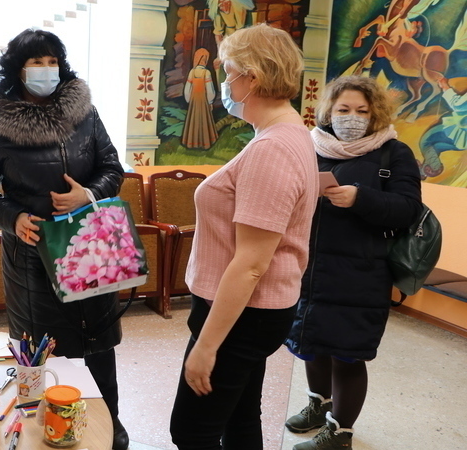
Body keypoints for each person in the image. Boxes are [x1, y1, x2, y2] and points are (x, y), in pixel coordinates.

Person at [0, 29, 128, 449]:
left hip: (89, 247)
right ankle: (44, 433)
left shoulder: (85, 113)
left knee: (97, 345)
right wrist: (13, 217)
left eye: (52, 61)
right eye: (36, 61)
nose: (46, 69)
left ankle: (109, 429)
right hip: (32, 256)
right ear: (17, 69)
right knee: (42, 355)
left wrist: (87, 194)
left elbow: (112, 168)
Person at [169, 24, 318, 449]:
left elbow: (252, 264)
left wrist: (206, 347)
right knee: (240, 419)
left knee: (192, 432)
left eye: (228, 70)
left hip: (243, 313)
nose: (225, 80)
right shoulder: (285, 134)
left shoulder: (273, 149)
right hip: (252, 311)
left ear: (252, 77)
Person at [284, 76, 423, 450]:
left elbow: (408, 209)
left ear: (375, 113)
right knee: (312, 344)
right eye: (343, 109)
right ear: (329, 111)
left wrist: (360, 198)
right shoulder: (311, 147)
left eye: (362, 111)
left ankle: (339, 433)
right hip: (309, 269)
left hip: (360, 273)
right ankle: (318, 407)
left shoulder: (394, 153)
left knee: (347, 354)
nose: (352, 117)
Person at [182, 48, 218, 150]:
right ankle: (204, 142)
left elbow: (187, 89)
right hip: (203, 101)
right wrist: (210, 101)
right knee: (204, 120)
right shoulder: (206, 73)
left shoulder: (192, 72)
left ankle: (192, 142)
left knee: (193, 120)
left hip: (194, 101)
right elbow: (210, 90)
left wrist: (189, 100)